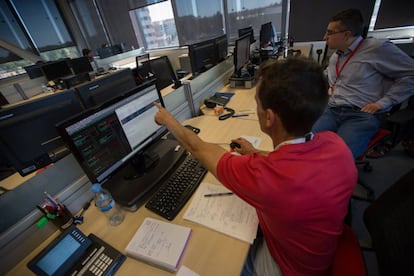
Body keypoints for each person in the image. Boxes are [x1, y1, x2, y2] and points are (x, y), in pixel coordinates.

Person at [154, 57, 357, 275]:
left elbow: (199, 149)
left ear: (269, 118)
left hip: (288, 267)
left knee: (213, 257)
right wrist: (255, 153)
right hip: (317, 252)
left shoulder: (267, 177)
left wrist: (167, 119)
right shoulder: (335, 144)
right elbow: (297, 163)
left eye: (257, 104)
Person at [312, 8, 414, 159]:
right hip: (332, 110)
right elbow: (326, 77)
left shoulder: (378, 49)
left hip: (360, 114)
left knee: (338, 156)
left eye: (330, 32)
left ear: (346, 34)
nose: (325, 37)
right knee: (301, 141)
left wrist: (384, 102)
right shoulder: (336, 56)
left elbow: (410, 73)